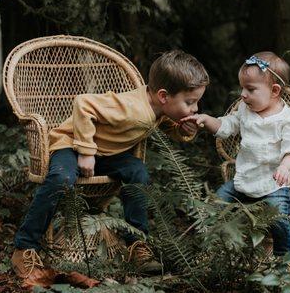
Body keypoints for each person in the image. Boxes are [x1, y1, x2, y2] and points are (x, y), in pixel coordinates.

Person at [11, 50, 209, 277]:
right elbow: (83, 104)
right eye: (191, 102)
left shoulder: (157, 108)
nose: (195, 109)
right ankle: (24, 246)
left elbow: (163, 124)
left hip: (105, 154)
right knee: (61, 178)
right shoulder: (131, 108)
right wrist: (85, 151)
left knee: (138, 173)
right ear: (164, 96)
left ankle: (137, 245)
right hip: (71, 144)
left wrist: (184, 131)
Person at [182, 52, 290, 256]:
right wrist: (206, 119)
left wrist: (284, 166)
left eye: (250, 89)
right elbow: (226, 126)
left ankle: (284, 257)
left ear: (275, 91)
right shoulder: (244, 110)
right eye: (242, 88)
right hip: (244, 179)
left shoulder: (289, 119)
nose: (243, 94)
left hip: (274, 183)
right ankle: (210, 248)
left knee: (279, 218)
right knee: (216, 202)